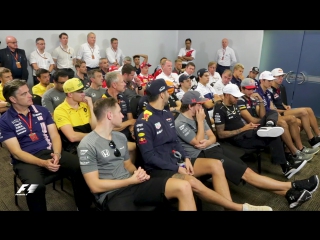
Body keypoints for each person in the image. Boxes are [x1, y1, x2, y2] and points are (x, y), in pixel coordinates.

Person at [134, 78, 273, 211]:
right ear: (161, 95)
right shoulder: (143, 121)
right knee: (192, 183)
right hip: (160, 168)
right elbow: (149, 157)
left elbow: (175, 141)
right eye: (167, 92)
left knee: (216, 164)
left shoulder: (167, 115)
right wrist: (176, 168)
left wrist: (186, 158)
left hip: (177, 160)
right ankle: (237, 208)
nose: (169, 96)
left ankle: (229, 207)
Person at [175, 90, 318, 209]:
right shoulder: (180, 122)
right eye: (199, 104)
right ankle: (293, 185)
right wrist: (201, 123)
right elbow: (199, 141)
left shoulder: (198, 116)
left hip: (215, 147)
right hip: (204, 155)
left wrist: (206, 140)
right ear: (190, 106)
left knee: (248, 172)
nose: (202, 107)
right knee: (247, 174)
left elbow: (212, 137)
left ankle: (290, 194)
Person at [77, 97, 197, 211]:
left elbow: (128, 165)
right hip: (112, 194)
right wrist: (130, 181)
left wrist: (138, 173)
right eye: (119, 112)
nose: (122, 116)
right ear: (109, 115)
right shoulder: (87, 144)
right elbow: (95, 186)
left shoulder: (120, 137)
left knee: (184, 186)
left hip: (133, 184)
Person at [0, 79, 93, 211]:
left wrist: (57, 153)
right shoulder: (5, 121)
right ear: (13, 99)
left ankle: (84, 206)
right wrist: (42, 163)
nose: (30, 96)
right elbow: (16, 153)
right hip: (25, 160)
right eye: (24, 94)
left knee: (81, 167)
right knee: (34, 187)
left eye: (29, 92)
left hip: (49, 151)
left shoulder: (42, 111)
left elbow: (54, 136)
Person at [213, 83, 307, 179]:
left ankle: (269, 124)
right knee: (274, 136)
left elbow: (238, 122)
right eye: (235, 97)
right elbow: (220, 134)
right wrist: (243, 129)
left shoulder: (234, 104)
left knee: (272, 112)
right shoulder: (219, 110)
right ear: (227, 95)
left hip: (247, 130)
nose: (237, 99)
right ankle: (286, 168)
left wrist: (248, 126)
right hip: (239, 138)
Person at [252, 73, 318, 162]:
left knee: (293, 119)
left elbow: (272, 108)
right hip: (267, 119)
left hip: (273, 115)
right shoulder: (256, 94)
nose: (271, 82)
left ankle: (300, 148)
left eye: (271, 80)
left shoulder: (267, 92)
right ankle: (295, 152)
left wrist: (281, 112)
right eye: (269, 81)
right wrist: (277, 113)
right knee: (289, 120)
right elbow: (261, 115)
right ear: (262, 81)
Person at [270, 68, 320, 148]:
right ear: (272, 77)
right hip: (279, 113)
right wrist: (283, 109)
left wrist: (285, 106)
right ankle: (312, 139)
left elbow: (278, 101)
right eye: (278, 77)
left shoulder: (277, 88)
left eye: (282, 76)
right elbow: (272, 108)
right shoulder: (270, 90)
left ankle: (318, 134)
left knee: (309, 110)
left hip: (283, 110)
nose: (281, 78)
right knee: (303, 112)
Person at [53, 78, 96, 154]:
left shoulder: (85, 105)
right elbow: (72, 137)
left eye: (83, 91)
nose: (83, 94)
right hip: (74, 148)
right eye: (80, 92)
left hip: (92, 144)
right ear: (70, 94)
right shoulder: (60, 110)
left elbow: (95, 128)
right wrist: (96, 137)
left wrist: (91, 106)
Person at [105, 71, 137, 164]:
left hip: (127, 132)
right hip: (113, 136)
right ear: (114, 85)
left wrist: (132, 131)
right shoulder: (104, 101)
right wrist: (129, 123)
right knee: (133, 148)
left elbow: (130, 117)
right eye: (122, 82)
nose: (125, 84)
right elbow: (111, 128)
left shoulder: (123, 97)